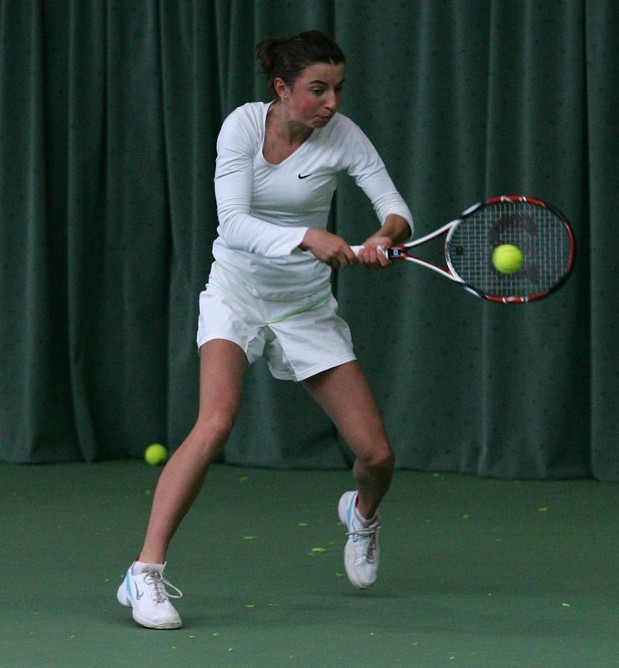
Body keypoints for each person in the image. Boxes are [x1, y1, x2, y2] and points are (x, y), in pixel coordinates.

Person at [117, 29, 413, 630]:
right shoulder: (244, 127)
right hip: (237, 293)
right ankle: (143, 571)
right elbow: (234, 224)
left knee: (377, 455)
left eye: (338, 89)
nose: (332, 103)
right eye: (317, 90)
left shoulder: (344, 136)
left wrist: (385, 235)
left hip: (305, 306)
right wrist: (309, 236)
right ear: (282, 89)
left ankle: (361, 513)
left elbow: (395, 206)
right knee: (216, 422)